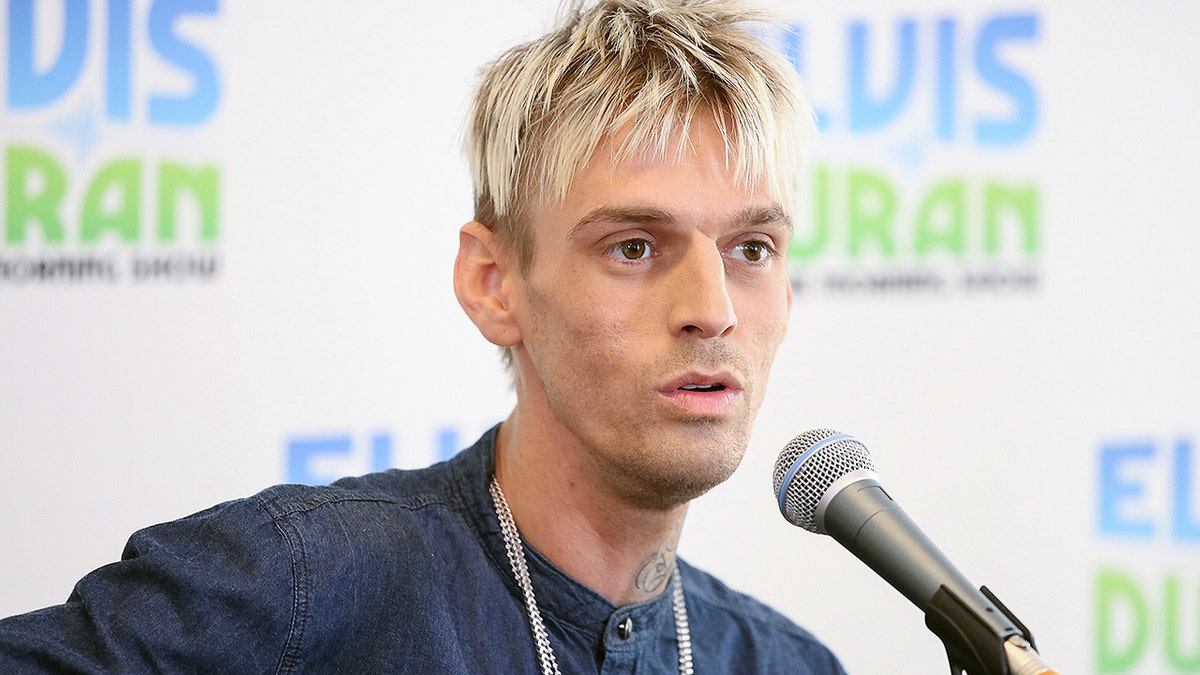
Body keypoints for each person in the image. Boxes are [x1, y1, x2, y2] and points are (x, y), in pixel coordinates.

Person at [0, 0, 845, 672]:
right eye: (632, 246)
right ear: (493, 284)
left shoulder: (788, 661)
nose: (714, 307)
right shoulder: (300, 581)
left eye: (751, 249)